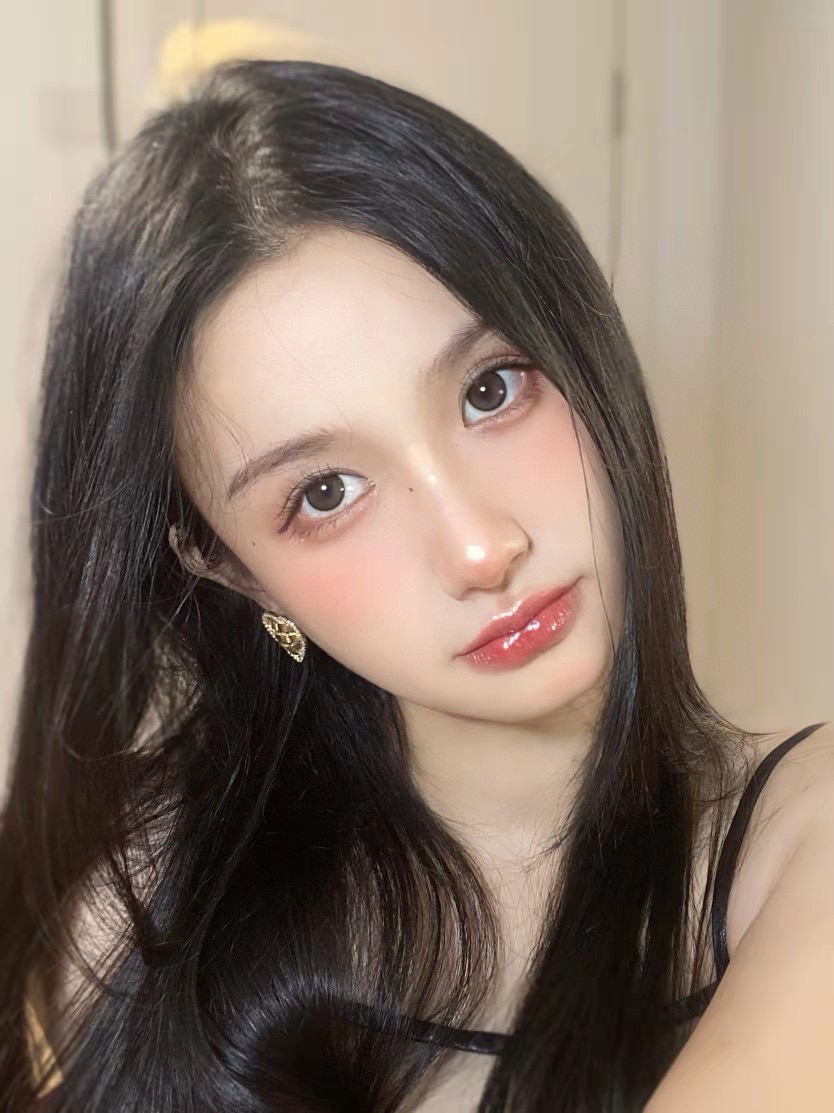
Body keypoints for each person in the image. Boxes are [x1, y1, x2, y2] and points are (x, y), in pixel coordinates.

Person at [0, 58, 831, 1113]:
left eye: (491, 390)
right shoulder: (145, 897)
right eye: (326, 492)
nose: (480, 548)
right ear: (232, 567)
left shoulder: (803, 836)